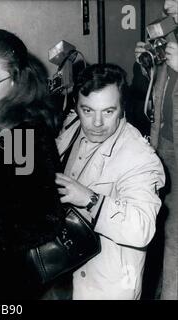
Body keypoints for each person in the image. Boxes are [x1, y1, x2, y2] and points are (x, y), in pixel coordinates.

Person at [0, 29, 64, 299]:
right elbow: (7, 190)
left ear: (16, 81)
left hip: (22, 278)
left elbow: (47, 217)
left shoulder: (28, 134)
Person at [55, 63, 165, 300]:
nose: (96, 123)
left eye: (108, 111)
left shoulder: (138, 156)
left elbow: (141, 229)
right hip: (65, 273)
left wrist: (90, 199)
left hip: (106, 285)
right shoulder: (73, 126)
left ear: (122, 108)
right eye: (87, 110)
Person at [133, 0, 178, 300]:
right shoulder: (172, 35)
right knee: (162, 230)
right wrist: (147, 65)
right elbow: (154, 99)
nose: (166, 4)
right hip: (164, 146)